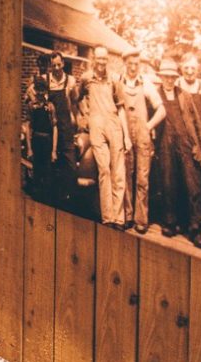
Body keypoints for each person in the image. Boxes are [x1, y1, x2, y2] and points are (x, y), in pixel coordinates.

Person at [152, 57, 201, 242]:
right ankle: (170, 223)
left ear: (175, 78)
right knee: (169, 184)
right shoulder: (155, 95)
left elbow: (198, 124)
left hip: (186, 144)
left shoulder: (184, 95)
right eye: (166, 77)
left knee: (192, 185)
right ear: (161, 77)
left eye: (172, 77)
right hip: (164, 145)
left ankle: (195, 228)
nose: (169, 80)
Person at [79, 47, 131, 228]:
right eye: (99, 59)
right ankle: (107, 217)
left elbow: (122, 107)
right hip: (96, 126)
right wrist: (86, 116)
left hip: (114, 124)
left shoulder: (115, 79)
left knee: (118, 172)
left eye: (104, 59)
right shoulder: (86, 78)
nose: (101, 62)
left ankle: (118, 219)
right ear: (93, 58)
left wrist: (127, 137)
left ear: (107, 60)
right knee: (104, 171)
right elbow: (77, 98)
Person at [117, 51, 164, 234]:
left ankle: (141, 220)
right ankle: (128, 216)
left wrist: (148, 125)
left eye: (136, 63)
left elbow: (161, 109)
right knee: (126, 175)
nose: (134, 67)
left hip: (143, 137)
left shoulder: (146, 85)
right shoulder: (119, 82)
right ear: (125, 63)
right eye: (130, 63)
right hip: (125, 135)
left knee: (142, 179)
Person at [44, 52, 81, 196]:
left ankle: (70, 197)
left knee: (70, 163)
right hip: (50, 127)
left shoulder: (70, 81)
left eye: (59, 65)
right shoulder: (46, 80)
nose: (57, 68)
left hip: (65, 127)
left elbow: (75, 102)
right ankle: (52, 196)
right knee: (51, 162)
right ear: (50, 66)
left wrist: (75, 120)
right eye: (54, 65)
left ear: (63, 64)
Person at [24, 78, 58, 196]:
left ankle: (46, 199)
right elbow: (28, 127)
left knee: (48, 172)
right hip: (36, 141)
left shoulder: (50, 107)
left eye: (42, 90)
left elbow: (54, 128)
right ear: (35, 90)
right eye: (38, 90)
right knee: (37, 172)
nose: (40, 93)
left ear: (46, 91)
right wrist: (29, 148)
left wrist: (53, 150)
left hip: (47, 141)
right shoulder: (31, 106)